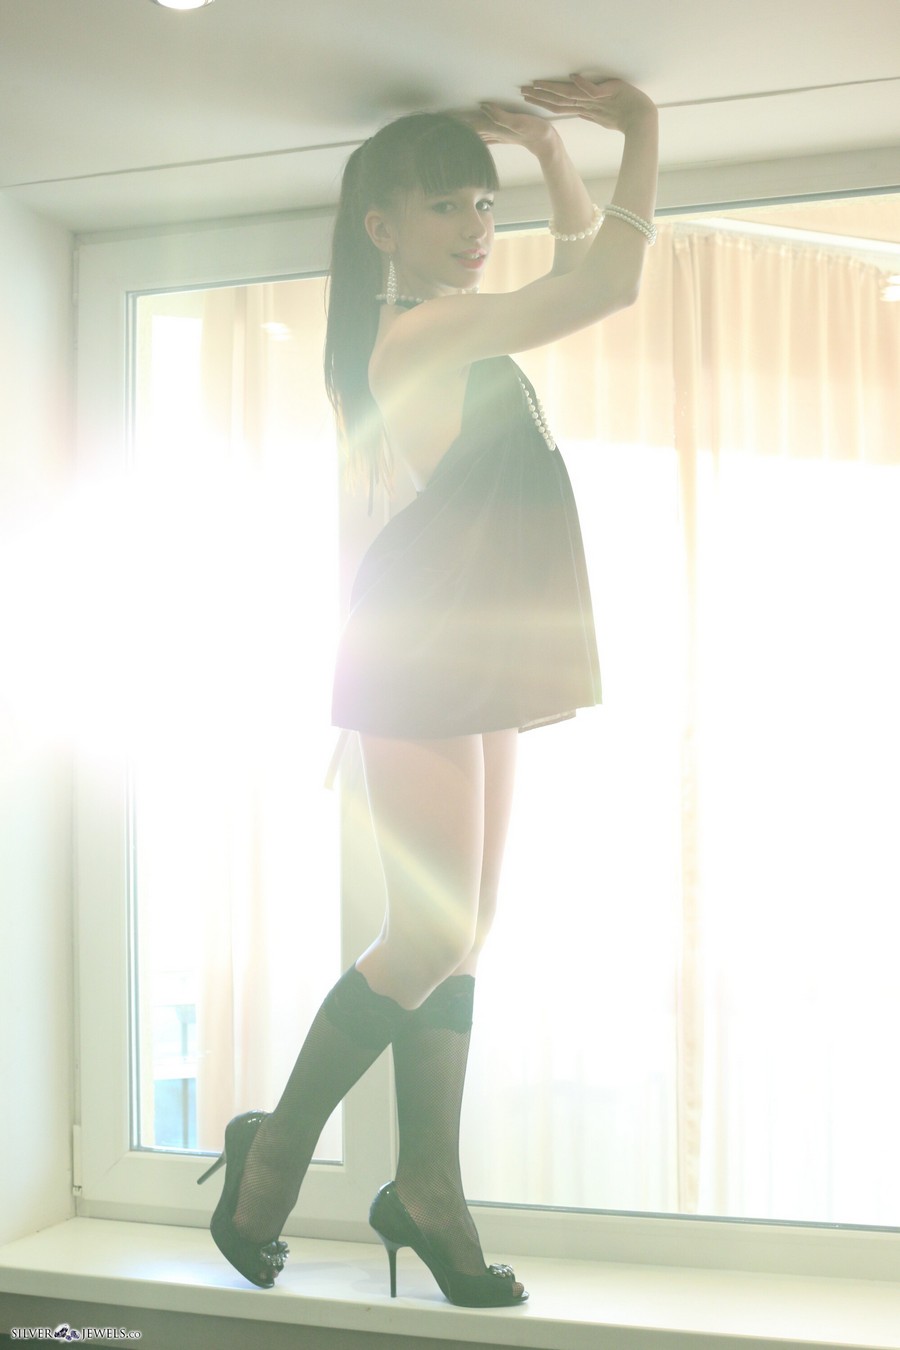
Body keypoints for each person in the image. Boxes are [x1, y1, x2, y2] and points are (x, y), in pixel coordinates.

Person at [198, 73, 659, 1306]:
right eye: (446, 206)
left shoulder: (455, 329)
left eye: (482, 205)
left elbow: (578, 268)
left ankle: (428, 1188)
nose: (474, 226)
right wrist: (641, 131)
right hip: (418, 649)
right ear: (382, 228)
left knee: (466, 932)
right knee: (433, 934)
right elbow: (607, 284)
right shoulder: (419, 338)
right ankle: (275, 1151)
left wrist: (550, 156)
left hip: (471, 648)